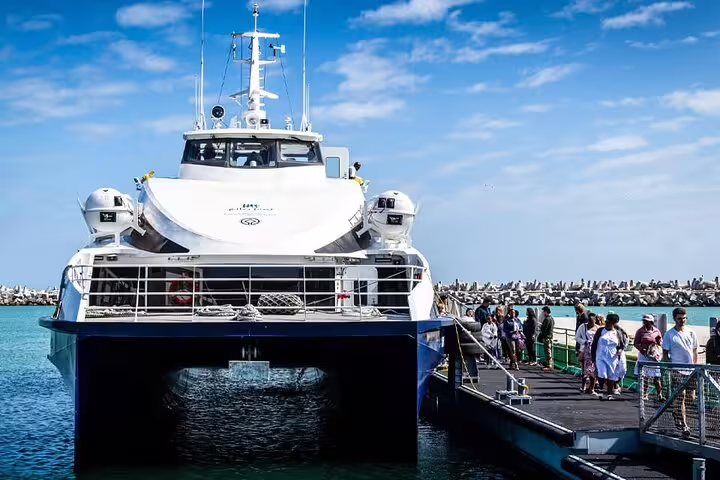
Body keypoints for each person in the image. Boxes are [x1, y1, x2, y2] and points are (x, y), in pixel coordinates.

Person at [662, 307, 698, 437]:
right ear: (674, 319)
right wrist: (670, 366)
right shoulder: (669, 334)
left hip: (691, 370)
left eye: (684, 318)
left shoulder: (691, 332)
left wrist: (695, 366)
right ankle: (684, 425)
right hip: (677, 370)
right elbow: (665, 353)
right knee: (681, 396)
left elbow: (694, 351)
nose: (682, 321)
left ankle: (677, 412)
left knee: (691, 398)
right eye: (679, 318)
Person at [591, 313, 628, 401]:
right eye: (606, 321)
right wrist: (593, 357)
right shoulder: (600, 331)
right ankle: (600, 390)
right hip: (600, 356)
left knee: (611, 376)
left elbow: (622, 345)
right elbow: (594, 344)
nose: (607, 323)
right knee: (602, 374)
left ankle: (610, 393)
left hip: (612, 357)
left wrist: (620, 351)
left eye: (609, 322)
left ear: (614, 323)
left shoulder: (618, 333)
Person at [634, 314, 664, 402]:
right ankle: (645, 394)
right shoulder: (640, 331)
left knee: (656, 377)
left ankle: (660, 395)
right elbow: (636, 343)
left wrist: (658, 346)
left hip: (654, 356)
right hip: (644, 356)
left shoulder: (656, 331)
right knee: (645, 377)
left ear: (651, 322)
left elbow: (660, 341)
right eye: (644, 321)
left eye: (647, 321)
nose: (645, 323)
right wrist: (642, 350)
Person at [576, 312, 599, 395]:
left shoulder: (598, 328)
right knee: (584, 369)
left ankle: (592, 388)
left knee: (593, 370)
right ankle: (583, 386)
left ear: (595, 320)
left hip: (594, 352)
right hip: (584, 350)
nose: (590, 322)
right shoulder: (582, 327)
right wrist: (584, 342)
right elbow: (577, 337)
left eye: (592, 321)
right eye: (589, 320)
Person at [537, 306, 554, 371]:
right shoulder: (551, 318)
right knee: (548, 351)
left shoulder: (547, 319)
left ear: (546, 312)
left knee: (548, 351)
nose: (543, 313)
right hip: (549, 337)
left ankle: (549, 365)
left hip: (547, 337)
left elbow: (544, 328)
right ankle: (549, 364)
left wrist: (540, 326)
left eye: (544, 311)